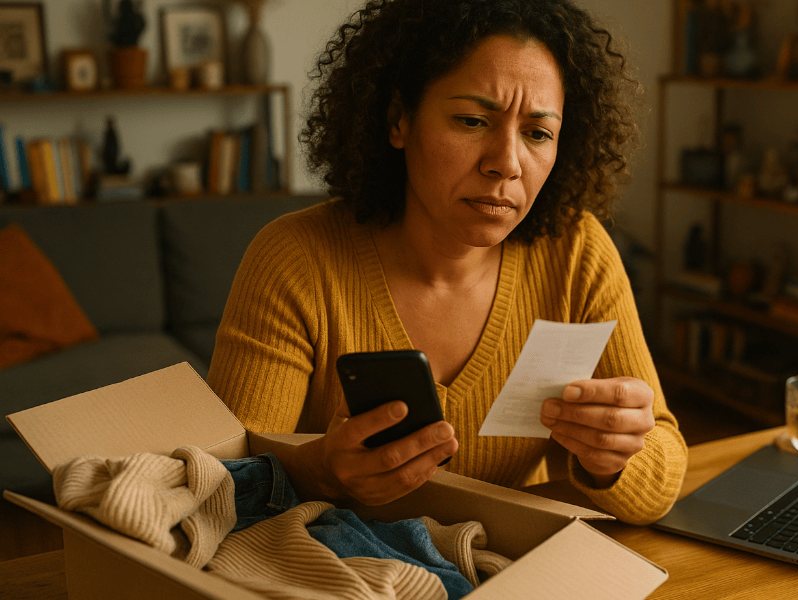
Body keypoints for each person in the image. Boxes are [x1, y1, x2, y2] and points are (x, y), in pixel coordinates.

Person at [207, 0, 687, 526]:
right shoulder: (296, 259)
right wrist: (320, 471)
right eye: (472, 120)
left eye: (537, 133)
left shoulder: (576, 252)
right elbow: (223, 482)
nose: (505, 162)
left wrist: (613, 461)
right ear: (399, 119)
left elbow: (661, 472)